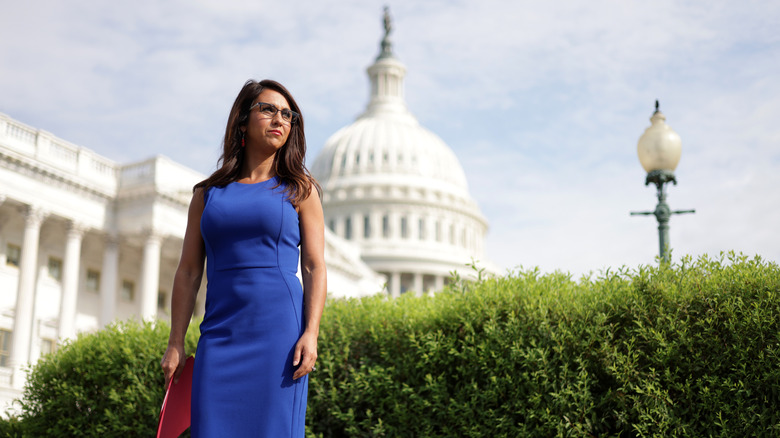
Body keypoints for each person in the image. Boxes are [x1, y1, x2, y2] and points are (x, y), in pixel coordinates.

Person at [160, 79, 327, 437]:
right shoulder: (207, 195)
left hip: (279, 337)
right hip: (219, 337)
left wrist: (311, 333)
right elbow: (189, 272)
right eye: (268, 109)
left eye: (288, 114)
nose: (279, 119)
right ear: (242, 121)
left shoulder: (301, 189)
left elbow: (314, 265)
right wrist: (176, 341)